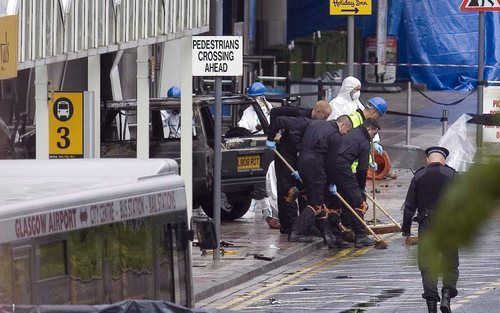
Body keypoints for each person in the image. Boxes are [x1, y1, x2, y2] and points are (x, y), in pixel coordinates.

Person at [402, 146, 458, 313]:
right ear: (444, 160)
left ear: (428, 159)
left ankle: (432, 306)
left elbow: (409, 206)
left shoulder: (418, 176)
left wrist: (406, 230)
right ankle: (446, 296)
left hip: (427, 224)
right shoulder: (453, 175)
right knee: (450, 263)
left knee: (427, 265)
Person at [265, 100, 332, 235]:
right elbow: (277, 116)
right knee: (287, 189)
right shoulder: (301, 118)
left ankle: (305, 224)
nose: (325, 120)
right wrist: (272, 137)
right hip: (286, 153)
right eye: (324, 117)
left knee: (304, 188)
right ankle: (289, 226)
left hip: (301, 157)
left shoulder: (314, 122)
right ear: (317, 111)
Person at [283, 115, 353, 242]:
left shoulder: (316, 123)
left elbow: (295, 131)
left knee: (314, 196)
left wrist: (299, 149)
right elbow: (331, 162)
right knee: (316, 204)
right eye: (347, 131)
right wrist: (332, 181)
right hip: (315, 167)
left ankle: (325, 232)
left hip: (302, 161)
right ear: (342, 125)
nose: (346, 134)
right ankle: (296, 232)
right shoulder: (335, 136)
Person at [325, 119, 381, 248]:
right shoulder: (364, 142)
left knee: (336, 201)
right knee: (358, 201)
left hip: (330, 164)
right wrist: (361, 188)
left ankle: (334, 235)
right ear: (369, 129)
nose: (373, 137)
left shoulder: (352, 132)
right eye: (374, 133)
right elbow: (362, 169)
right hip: (342, 167)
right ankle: (360, 235)